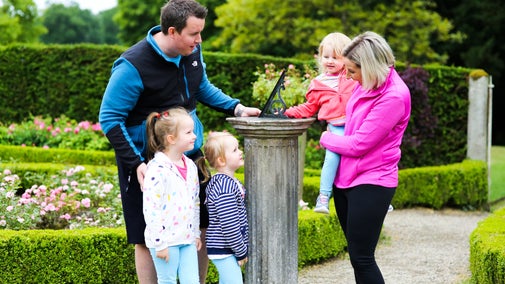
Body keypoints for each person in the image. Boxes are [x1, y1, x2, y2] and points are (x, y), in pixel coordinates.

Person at [98, 0, 260, 282]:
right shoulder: (131, 65)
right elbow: (110, 119)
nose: (199, 41)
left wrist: (236, 108)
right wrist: (135, 163)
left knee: (201, 224)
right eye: (193, 34)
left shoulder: (192, 51)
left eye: (201, 33)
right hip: (145, 163)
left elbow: (202, 88)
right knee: (146, 234)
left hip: (189, 155)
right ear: (172, 31)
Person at [319, 31, 411, 283]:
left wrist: (326, 138)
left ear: (369, 67)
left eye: (351, 70)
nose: (347, 76)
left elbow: (359, 144)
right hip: (346, 179)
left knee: (362, 257)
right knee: (356, 256)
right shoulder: (365, 83)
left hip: (372, 181)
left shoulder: (393, 97)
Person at [283, 32, 356, 214]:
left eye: (335, 57)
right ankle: (323, 197)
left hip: (356, 127)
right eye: (326, 56)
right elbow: (310, 108)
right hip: (336, 129)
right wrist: (288, 112)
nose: (330, 61)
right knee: (332, 158)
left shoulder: (353, 77)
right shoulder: (318, 83)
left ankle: (377, 197)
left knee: (366, 158)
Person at [142, 108, 201, 284]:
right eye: (188, 132)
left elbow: (195, 201)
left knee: (192, 281)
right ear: (171, 139)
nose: (195, 136)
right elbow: (151, 208)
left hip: (187, 238)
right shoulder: (156, 169)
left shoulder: (190, 166)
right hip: (166, 241)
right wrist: (160, 244)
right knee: (167, 280)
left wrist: (195, 233)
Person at [196, 132, 249, 284]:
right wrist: (240, 251)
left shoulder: (227, 182)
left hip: (226, 247)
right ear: (221, 160)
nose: (240, 152)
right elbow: (229, 224)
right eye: (234, 150)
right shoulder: (224, 187)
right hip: (224, 247)